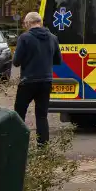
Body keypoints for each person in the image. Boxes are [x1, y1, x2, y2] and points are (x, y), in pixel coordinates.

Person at [12, 11, 61, 145]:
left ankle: (19, 143)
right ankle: (43, 146)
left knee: (19, 112)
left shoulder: (24, 38)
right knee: (41, 115)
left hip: (28, 80)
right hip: (46, 81)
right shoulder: (53, 38)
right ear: (40, 22)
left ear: (28, 23)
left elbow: (16, 61)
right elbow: (58, 60)